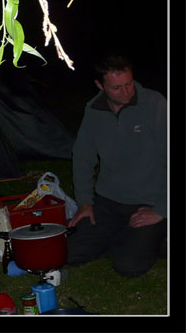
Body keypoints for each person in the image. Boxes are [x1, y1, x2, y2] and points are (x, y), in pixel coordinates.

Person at [67, 54, 167, 277]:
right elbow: (83, 157)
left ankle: (159, 232)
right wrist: (85, 202)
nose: (127, 92)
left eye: (129, 84)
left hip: (149, 202)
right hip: (109, 203)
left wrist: (161, 210)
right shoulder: (94, 110)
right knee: (70, 253)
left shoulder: (154, 104)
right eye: (117, 88)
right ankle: (129, 236)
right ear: (100, 85)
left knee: (128, 266)